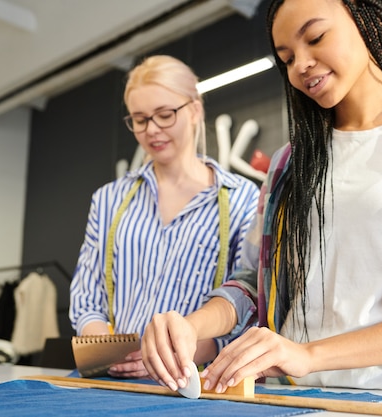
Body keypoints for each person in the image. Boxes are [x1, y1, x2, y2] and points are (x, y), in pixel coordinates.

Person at [140, 0, 382, 394]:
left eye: (316, 38)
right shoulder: (288, 165)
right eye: (287, 58)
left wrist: (309, 354)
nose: (301, 64)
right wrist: (190, 326)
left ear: (365, 21)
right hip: (287, 397)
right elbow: (250, 283)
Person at [69, 55, 260, 378]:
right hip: (112, 379)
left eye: (164, 115)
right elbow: (87, 298)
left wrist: (165, 357)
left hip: (191, 381)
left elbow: (244, 310)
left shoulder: (242, 200)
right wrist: (108, 351)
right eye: (140, 119)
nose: (152, 130)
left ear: (195, 109)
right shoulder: (109, 200)